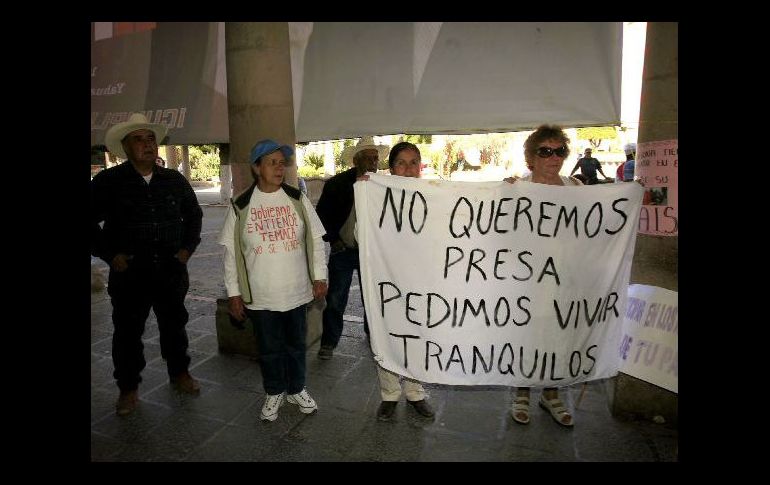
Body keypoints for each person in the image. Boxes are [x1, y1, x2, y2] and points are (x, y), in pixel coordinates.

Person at [91, 113, 203, 417]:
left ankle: (180, 374)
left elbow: (194, 216)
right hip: (130, 274)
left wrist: (186, 251)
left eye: (150, 138)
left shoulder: (174, 181)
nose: (147, 144)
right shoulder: (109, 183)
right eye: (138, 139)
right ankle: (128, 389)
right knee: (127, 333)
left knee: (174, 326)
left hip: (170, 271)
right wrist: (109, 254)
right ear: (125, 148)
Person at [218, 139, 328, 422]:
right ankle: (274, 391)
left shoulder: (296, 198)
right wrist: (234, 294)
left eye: (282, 162)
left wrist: (320, 276)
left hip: (297, 291)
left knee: (295, 345)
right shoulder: (240, 205)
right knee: (269, 349)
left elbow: (315, 239)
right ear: (257, 168)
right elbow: (231, 253)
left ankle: (296, 389)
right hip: (261, 295)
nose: (279, 168)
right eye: (272, 162)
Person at [505, 125, 582, 427]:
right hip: (527, 280)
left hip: (564, 279)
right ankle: (521, 391)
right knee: (527, 335)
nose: (553, 157)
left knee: (558, 337)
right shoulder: (516, 188)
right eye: (545, 151)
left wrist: (634, 191)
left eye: (559, 151)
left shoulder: (576, 187)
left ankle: (551, 394)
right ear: (532, 158)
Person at [359, 142, 435, 421]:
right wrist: (366, 194)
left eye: (414, 162)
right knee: (386, 336)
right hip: (387, 282)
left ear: (420, 166)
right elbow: (361, 235)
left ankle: (415, 392)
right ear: (391, 168)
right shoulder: (377, 196)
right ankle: (389, 394)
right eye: (401, 163)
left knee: (417, 338)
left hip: (420, 283)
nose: (408, 169)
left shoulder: (434, 196)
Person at [314, 136, 390, 360]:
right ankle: (328, 342)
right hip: (343, 250)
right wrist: (333, 238)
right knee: (336, 299)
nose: (373, 163)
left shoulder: (383, 187)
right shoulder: (337, 184)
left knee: (372, 299)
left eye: (375, 158)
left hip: (372, 253)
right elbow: (322, 216)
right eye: (368, 158)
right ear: (356, 160)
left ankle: (373, 336)